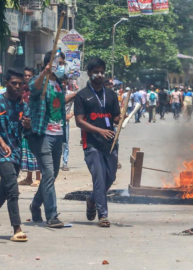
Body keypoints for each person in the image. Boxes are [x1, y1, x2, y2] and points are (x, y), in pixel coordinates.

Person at [26, 50, 76, 228]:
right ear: (49, 64)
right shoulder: (43, 81)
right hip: (43, 135)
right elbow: (33, 87)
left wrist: (77, 94)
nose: (60, 66)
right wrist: (44, 73)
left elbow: (60, 103)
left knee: (52, 174)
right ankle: (52, 215)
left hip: (58, 134)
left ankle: (35, 205)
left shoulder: (59, 85)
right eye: (58, 63)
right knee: (47, 174)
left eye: (62, 63)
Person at [74, 57, 120, 227]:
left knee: (111, 177)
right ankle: (103, 215)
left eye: (102, 71)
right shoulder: (82, 95)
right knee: (99, 178)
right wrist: (99, 130)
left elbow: (115, 118)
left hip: (111, 143)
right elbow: (79, 121)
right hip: (91, 143)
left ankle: (92, 199)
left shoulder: (111, 94)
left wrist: (120, 119)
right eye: (96, 72)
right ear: (89, 74)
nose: (99, 75)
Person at [0, 68, 30, 242]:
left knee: (4, 192)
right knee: (13, 189)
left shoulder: (24, 106)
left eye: (20, 84)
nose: (17, 86)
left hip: (15, 152)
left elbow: (26, 130)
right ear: (6, 83)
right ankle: (17, 228)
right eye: (14, 83)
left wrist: (28, 125)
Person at [18, 66, 41, 186]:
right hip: (24, 122)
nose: (27, 77)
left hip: (34, 122)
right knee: (26, 150)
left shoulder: (36, 89)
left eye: (29, 75)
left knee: (35, 150)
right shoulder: (21, 89)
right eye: (25, 75)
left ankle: (38, 177)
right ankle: (29, 177)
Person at [61, 75, 76, 171]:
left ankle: (65, 163)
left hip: (65, 122)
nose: (62, 83)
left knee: (65, 142)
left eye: (64, 81)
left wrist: (72, 114)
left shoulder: (71, 94)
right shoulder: (54, 92)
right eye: (61, 81)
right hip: (55, 120)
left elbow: (80, 103)